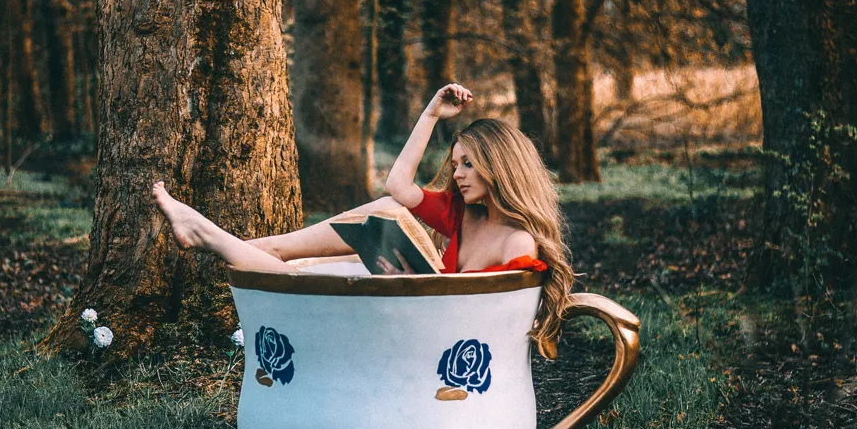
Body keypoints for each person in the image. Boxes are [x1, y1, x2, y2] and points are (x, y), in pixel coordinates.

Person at [153, 83, 576, 355]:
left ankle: (213, 237)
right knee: (380, 220)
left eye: (469, 164)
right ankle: (259, 249)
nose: (458, 174)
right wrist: (430, 114)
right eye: (456, 163)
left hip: (436, 349)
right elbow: (398, 185)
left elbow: (484, 326)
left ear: (499, 166)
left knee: (328, 275)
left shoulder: (517, 243)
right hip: (414, 314)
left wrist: (414, 284)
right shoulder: (464, 215)